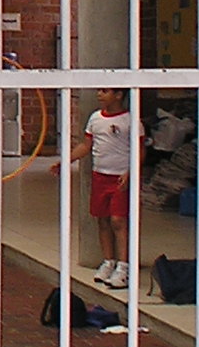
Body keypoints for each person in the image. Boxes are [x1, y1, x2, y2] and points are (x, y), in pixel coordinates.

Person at [54, 87, 140, 289]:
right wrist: (66, 160)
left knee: (118, 220)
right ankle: (108, 261)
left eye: (105, 91)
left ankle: (124, 267)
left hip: (120, 178)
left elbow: (140, 150)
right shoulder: (95, 119)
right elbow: (86, 145)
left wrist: (130, 172)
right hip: (99, 176)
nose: (99, 94)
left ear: (118, 95)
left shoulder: (131, 121)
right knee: (103, 220)